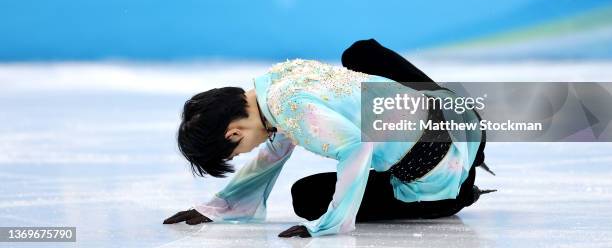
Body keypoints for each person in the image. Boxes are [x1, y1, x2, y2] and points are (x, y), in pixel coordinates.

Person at [163, 39, 495, 238]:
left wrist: (333, 223)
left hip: (436, 168)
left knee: (308, 199)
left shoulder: (291, 110)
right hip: (454, 117)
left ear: (233, 133)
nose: (246, 152)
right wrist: (220, 205)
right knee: (361, 54)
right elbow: (275, 149)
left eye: (234, 154)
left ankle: (454, 196)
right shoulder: (275, 82)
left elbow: (356, 145)